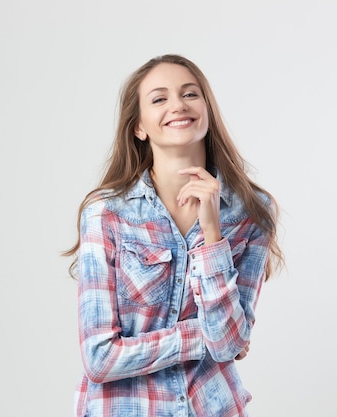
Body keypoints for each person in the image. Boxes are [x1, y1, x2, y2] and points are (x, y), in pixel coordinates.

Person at [63, 54, 284, 417]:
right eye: (159, 98)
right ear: (139, 127)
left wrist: (212, 235)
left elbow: (229, 341)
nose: (178, 105)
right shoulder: (107, 213)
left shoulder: (252, 211)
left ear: (207, 109)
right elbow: (100, 357)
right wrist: (203, 337)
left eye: (190, 94)